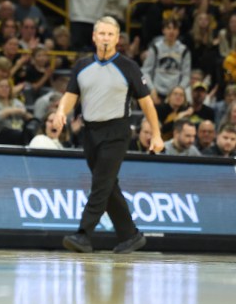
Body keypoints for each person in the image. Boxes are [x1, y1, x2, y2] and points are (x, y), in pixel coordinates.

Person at [56, 16, 164, 255]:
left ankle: (83, 235)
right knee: (108, 184)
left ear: (117, 39)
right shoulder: (82, 66)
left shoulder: (128, 67)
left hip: (117, 131)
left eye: (110, 35)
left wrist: (156, 134)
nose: (105, 38)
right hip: (90, 131)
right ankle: (131, 235)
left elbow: (147, 104)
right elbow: (71, 95)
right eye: (101, 34)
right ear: (94, 37)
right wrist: (60, 112)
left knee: (100, 183)